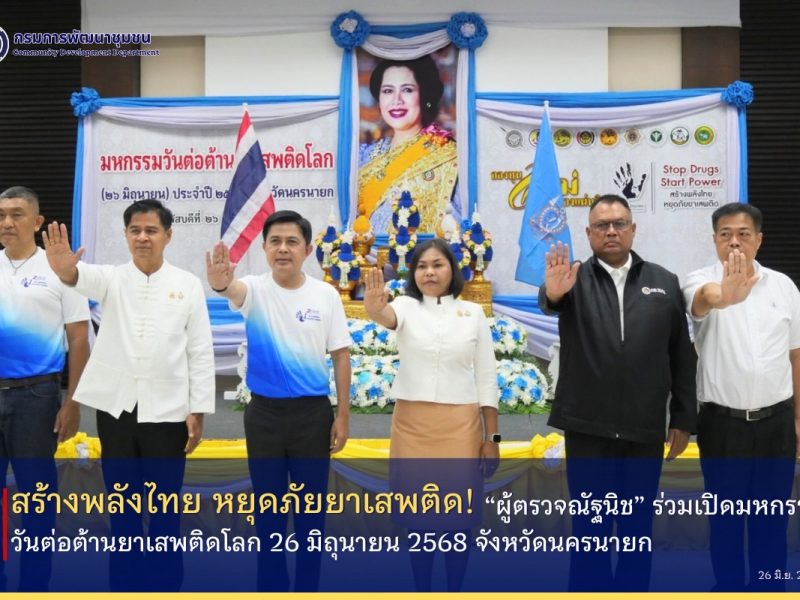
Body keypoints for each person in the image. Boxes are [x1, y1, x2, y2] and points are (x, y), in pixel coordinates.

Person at [42, 199, 215, 592]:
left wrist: (199, 409)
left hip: (169, 414)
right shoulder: (111, 277)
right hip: (117, 412)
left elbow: (200, 350)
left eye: (151, 230)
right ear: (125, 235)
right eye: (135, 230)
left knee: (164, 509)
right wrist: (64, 268)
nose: (142, 237)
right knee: (123, 508)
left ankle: (165, 586)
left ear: (168, 236)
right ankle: (124, 587)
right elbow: (77, 276)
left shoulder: (187, 284)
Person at [538, 194, 697, 592]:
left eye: (619, 223)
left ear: (633, 229)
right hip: (587, 428)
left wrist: (682, 417)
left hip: (643, 429)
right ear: (589, 233)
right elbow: (552, 302)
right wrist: (553, 293)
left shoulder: (664, 281)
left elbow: (681, 354)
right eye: (602, 225)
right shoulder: (572, 279)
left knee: (635, 529)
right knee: (589, 530)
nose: (611, 231)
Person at [206, 209, 351, 592]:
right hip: (265, 417)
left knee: (310, 514)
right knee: (268, 512)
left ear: (307, 249)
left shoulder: (325, 295)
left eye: (291, 242)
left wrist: (343, 417)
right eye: (275, 242)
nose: (283, 249)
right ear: (265, 248)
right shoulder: (254, 289)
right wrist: (222, 285)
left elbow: (340, 356)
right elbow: (232, 291)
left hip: (312, 416)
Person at [364, 238, 499, 592]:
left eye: (437, 265)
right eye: (422, 266)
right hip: (413, 426)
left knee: (458, 516)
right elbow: (386, 317)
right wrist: (374, 307)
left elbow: (487, 378)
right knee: (418, 516)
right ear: (413, 273)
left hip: (461, 427)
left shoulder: (473, 314)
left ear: (452, 270)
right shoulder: (405, 306)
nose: (429, 272)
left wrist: (492, 439)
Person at [681, 203, 799, 592]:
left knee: (771, 520)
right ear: (714, 240)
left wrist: (798, 419)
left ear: (759, 240)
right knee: (726, 521)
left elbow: (796, 355)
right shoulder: (699, 280)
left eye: (743, 234)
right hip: (722, 426)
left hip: (776, 425)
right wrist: (725, 296)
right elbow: (702, 300)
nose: (734, 242)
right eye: (725, 234)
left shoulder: (784, 287)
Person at [0, 186, 90, 592]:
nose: (7, 222)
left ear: (37, 222)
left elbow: (79, 339)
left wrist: (73, 403)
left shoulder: (58, 269)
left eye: (17, 214)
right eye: (1, 215)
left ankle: (35, 586)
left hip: (37, 398)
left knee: (37, 497)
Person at [358, 55, 460, 234]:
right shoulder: (364, 155)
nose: (396, 100)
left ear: (424, 94)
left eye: (407, 90)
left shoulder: (448, 154)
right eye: (388, 91)